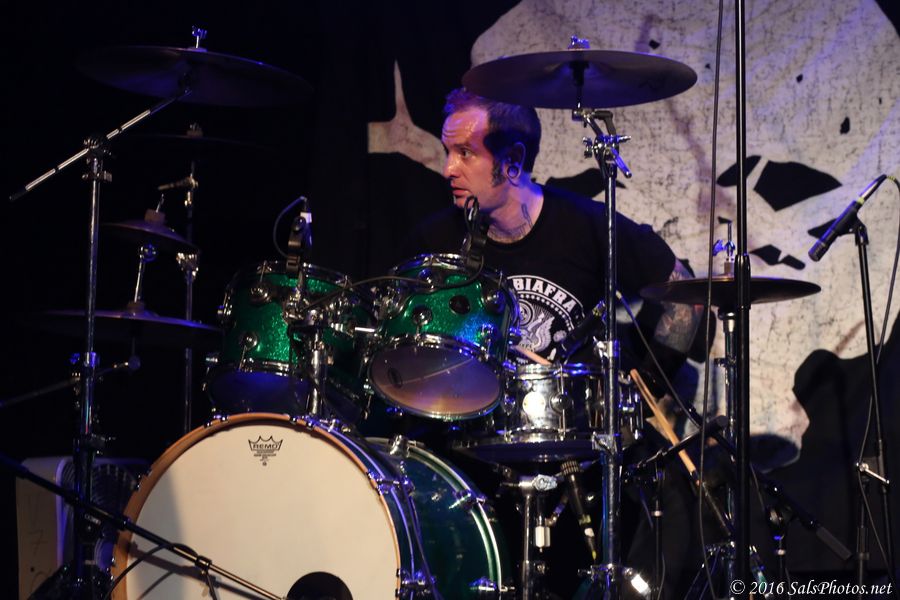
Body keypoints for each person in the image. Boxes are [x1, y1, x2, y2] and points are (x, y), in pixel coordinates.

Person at [399, 88, 710, 598]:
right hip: (468, 465)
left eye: (466, 153)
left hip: (575, 464)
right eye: (447, 151)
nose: (449, 168)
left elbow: (686, 301)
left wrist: (636, 388)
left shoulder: (585, 225)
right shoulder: (433, 241)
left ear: (513, 161)